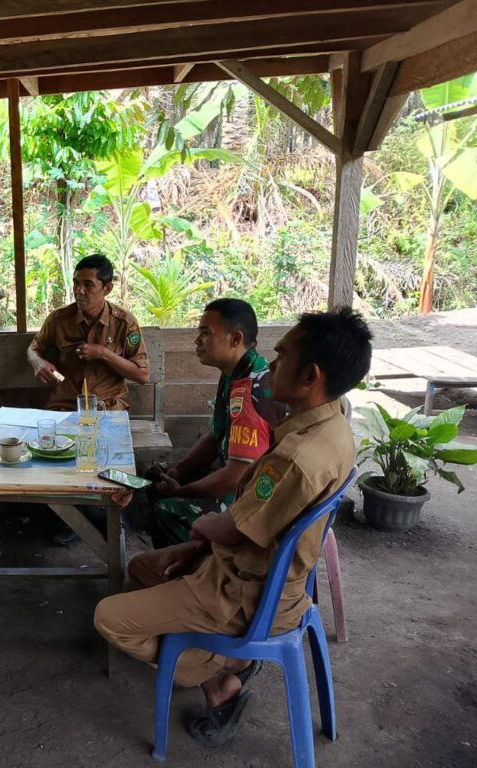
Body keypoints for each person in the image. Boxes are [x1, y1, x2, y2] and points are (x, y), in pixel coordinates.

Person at [94, 308, 371, 748]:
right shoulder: (329, 422)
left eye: (282, 356)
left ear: (310, 376)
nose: (271, 364)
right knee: (144, 568)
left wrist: (199, 526)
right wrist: (198, 545)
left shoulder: (296, 457)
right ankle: (212, 656)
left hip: (245, 593)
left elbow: (233, 528)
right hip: (264, 572)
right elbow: (250, 514)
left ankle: (220, 673)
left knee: (109, 617)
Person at [147, 299, 286, 548]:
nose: (197, 341)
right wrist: (178, 471)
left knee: (164, 510)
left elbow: (236, 477)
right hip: (234, 477)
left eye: (205, 333)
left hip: (249, 501)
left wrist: (180, 491)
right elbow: (216, 435)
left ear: (235, 338)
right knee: (155, 477)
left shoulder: (248, 392)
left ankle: (197, 567)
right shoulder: (236, 373)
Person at [28, 253, 150, 411]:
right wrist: (38, 363)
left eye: (88, 284)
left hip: (106, 406)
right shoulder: (58, 320)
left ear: (107, 288)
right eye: (76, 283)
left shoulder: (124, 323)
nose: (79, 291)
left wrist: (103, 353)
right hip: (65, 405)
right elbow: (33, 349)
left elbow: (142, 376)